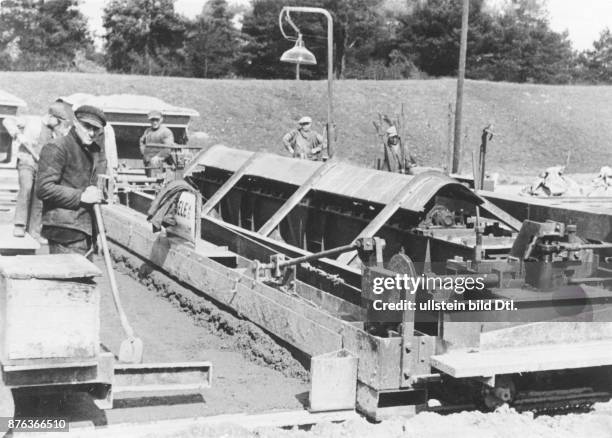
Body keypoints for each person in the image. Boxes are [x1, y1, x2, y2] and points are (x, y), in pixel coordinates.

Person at [36, 105, 108, 258]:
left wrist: (99, 232)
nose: (91, 133)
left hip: (84, 230)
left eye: (95, 129)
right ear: (75, 122)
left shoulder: (94, 151)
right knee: (70, 280)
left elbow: (94, 194)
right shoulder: (57, 147)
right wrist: (81, 196)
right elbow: (43, 188)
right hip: (64, 230)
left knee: (83, 280)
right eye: (87, 126)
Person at [2, 102, 72, 239]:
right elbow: (7, 120)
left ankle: (34, 230)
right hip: (27, 162)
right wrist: (17, 133)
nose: (58, 125)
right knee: (26, 188)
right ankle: (19, 225)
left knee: (39, 196)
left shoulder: (56, 132)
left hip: (43, 166)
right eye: (58, 121)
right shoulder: (31, 121)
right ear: (51, 117)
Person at [139, 110, 175, 177]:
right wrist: (144, 153)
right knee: (149, 180)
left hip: (160, 163)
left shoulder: (166, 132)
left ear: (161, 119)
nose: (154, 122)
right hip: (148, 162)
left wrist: (158, 157)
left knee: (156, 183)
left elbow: (168, 148)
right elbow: (141, 141)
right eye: (152, 120)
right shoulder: (147, 131)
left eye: (157, 120)